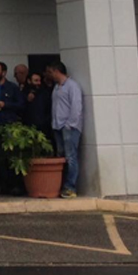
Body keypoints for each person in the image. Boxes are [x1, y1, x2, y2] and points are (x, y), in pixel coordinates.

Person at [0, 61, 24, 195]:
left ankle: (15, 185)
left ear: (4, 72)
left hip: (9, 124)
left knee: (11, 156)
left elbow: (20, 105)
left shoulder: (12, 88)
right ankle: (3, 184)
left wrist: (4, 104)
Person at [48, 61, 83, 199]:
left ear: (57, 71)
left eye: (51, 72)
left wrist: (70, 124)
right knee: (61, 156)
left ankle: (70, 187)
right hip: (57, 125)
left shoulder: (72, 86)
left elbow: (76, 107)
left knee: (71, 157)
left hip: (69, 127)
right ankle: (62, 185)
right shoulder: (56, 87)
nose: (49, 75)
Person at [23, 71, 52, 141]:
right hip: (29, 128)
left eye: (39, 81)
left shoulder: (45, 93)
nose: (38, 83)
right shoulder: (23, 93)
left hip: (44, 127)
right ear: (29, 81)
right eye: (36, 81)